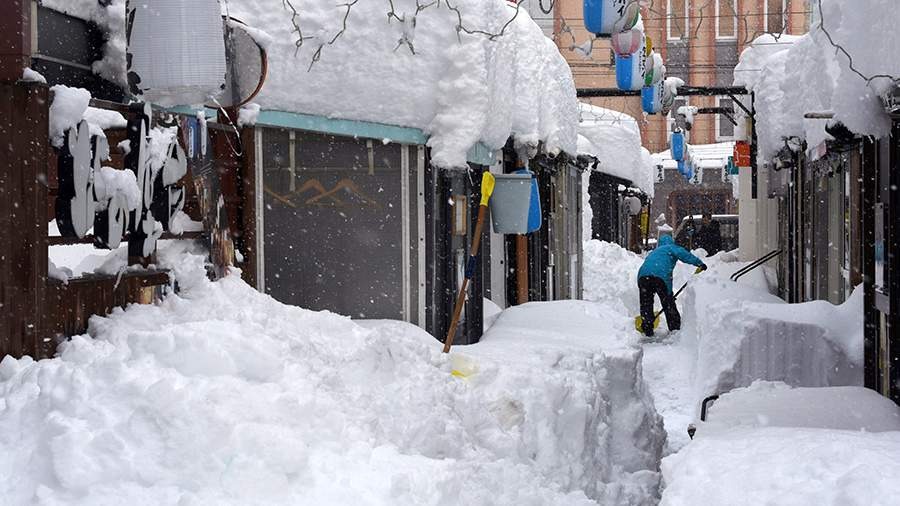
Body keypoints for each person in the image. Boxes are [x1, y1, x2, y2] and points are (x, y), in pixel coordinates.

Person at [637, 235, 707, 337]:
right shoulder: (670, 248)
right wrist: (699, 263)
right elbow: (684, 255)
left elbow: (648, 266)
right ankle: (675, 329)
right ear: (671, 242)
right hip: (660, 275)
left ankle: (647, 326)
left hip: (643, 277)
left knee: (646, 303)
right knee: (668, 303)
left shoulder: (654, 252)